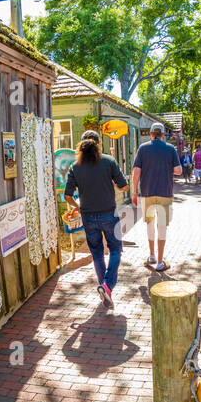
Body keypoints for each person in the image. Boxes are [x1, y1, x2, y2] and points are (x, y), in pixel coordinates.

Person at [64, 129, 128, 309]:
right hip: (109, 213)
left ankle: (105, 288)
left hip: (88, 217)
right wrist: (112, 183)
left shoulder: (75, 167)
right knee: (115, 250)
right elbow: (124, 187)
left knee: (97, 253)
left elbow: (68, 196)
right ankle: (107, 285)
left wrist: (79, 207)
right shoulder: (109, 161)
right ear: (98, 144)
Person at [131, 122, 181, 272]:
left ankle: (152, 255)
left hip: (147, 192)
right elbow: (178, 170)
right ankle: (160, 262)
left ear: (151, 134)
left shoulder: (143, 148)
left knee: (150, 224)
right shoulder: (170, 149)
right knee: (162, 226)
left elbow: (136, 173)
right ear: (164, 134)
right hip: (165, 192)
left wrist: (134, 191)